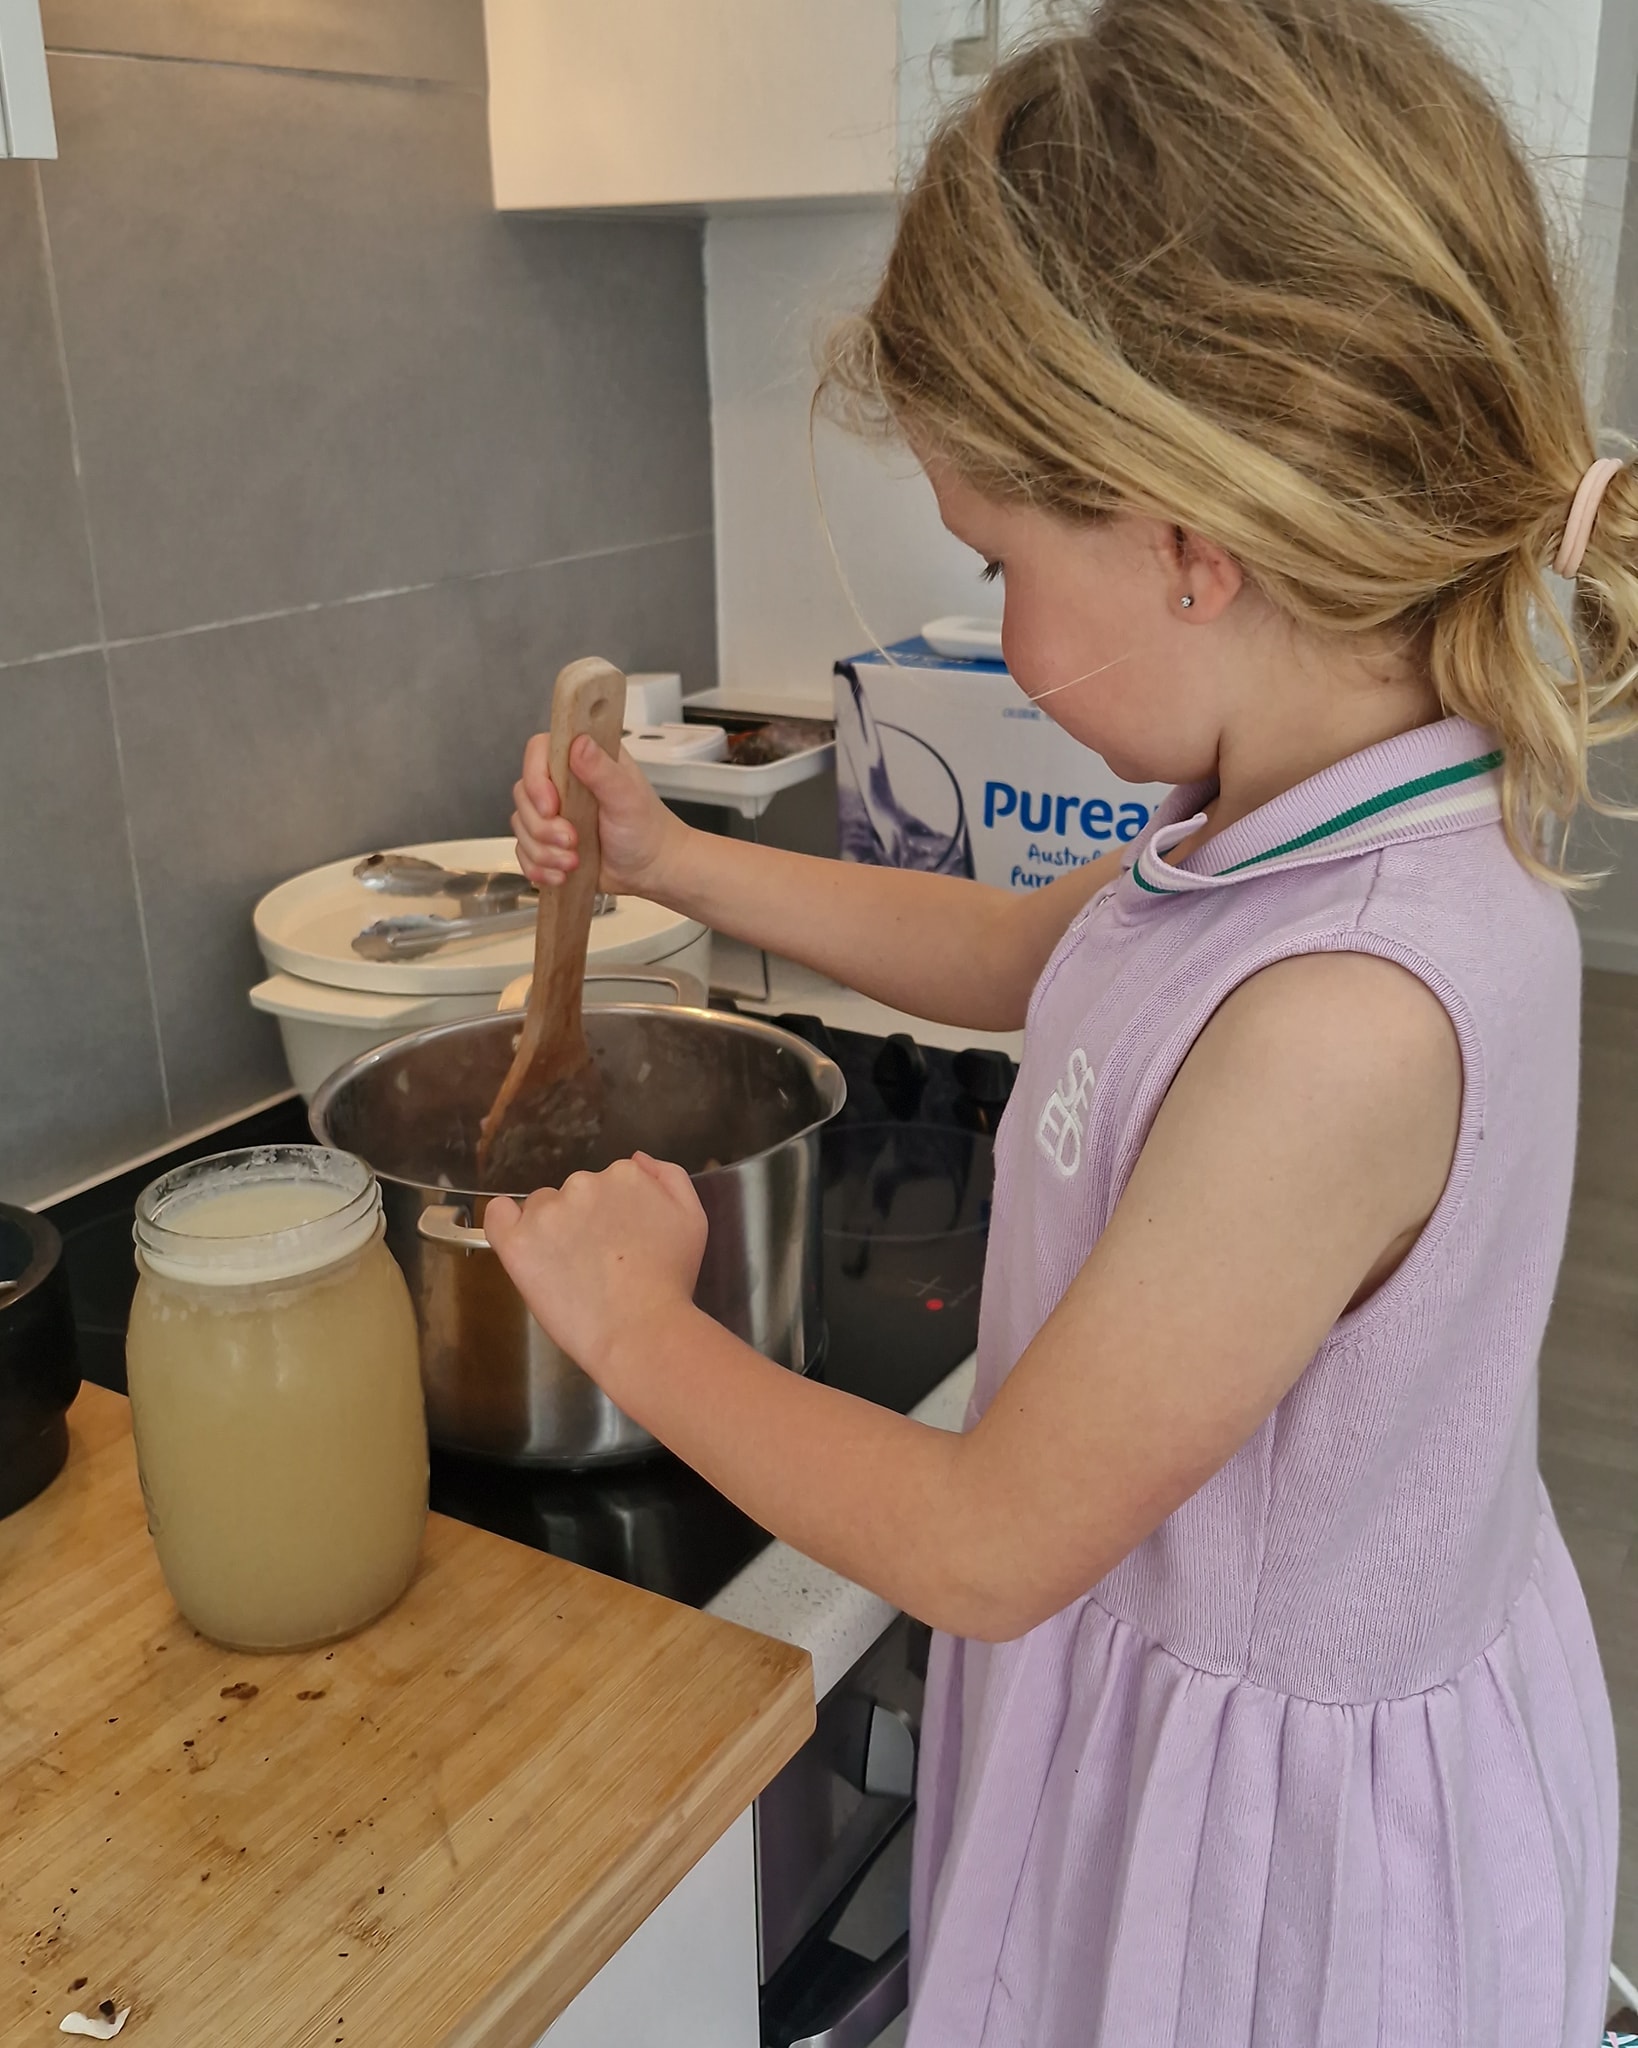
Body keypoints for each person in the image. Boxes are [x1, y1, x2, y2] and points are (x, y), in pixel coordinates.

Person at [489, 1, 1637, 2039]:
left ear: (1193, 545)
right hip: (1184, 1708)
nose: (993, 621)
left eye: (998, 555)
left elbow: (994, 1543)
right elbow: (1038, 954)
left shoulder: (1348, 1013)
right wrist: (673, 861)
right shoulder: (1298, 812)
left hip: (1269, 1876)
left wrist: (632, 1322)